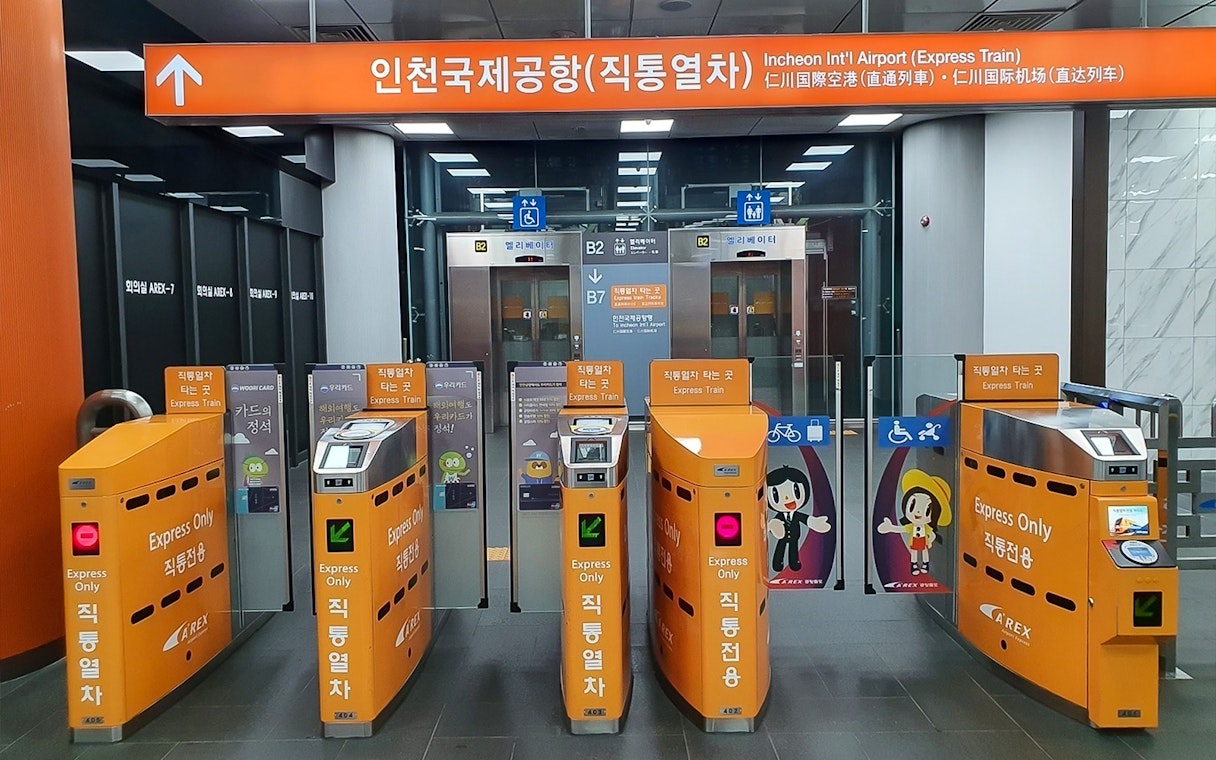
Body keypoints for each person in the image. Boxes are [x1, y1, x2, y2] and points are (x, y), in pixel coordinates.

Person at [878, 469, 952, 576]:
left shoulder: (926, 528)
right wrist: (890, 527)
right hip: (915, 541)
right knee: (914, 552)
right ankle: (914, 565)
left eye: (926, 509)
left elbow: (931, 534)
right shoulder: (912, 526)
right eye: (913, 504)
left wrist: (931, 540)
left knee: (924, 552)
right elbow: (902, 529)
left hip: (923, 541)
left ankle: (925, 564)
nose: (918, 512)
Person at [765, 465, 830, 573]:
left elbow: (805, 519)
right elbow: (774, 523)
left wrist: (815, 523)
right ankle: (777, 563)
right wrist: (773, 526)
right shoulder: (780, 516)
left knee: (793, 549)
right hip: (783, 536)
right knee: (780, 548)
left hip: (795, 535)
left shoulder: (797, 515)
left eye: (796, 491)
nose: (787, 498)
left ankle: (794, 563)